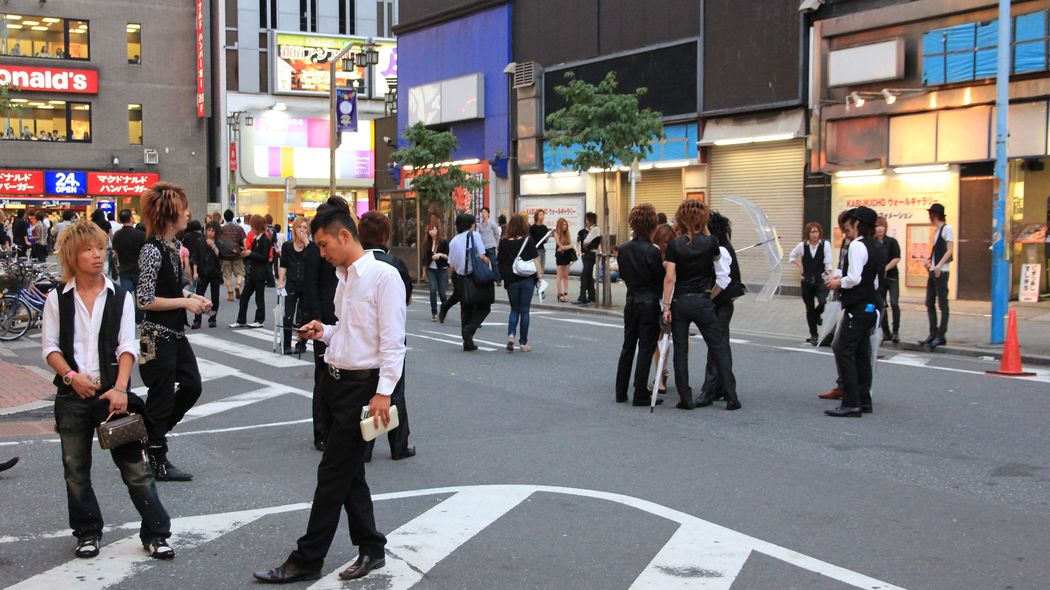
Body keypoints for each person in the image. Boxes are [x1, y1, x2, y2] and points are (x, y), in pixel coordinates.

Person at [253, 197, 405, 584]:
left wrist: (384, 393)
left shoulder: (383, 277)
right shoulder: (344, 277)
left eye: (323, 245)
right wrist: (324, 331)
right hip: (336, 384)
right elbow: (348, 331)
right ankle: (371, 546)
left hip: (362, 389)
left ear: (344, 236)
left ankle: (307, 558)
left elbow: (393, 344)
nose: (321, 253)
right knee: (349, 475)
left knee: (332, 475)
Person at [41, 221, 175, 560]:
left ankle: (156, 533)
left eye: (101, 247)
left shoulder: (120, 296)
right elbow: (50, 348)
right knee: (75, 471)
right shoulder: (58, 298)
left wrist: (120, 388)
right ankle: (87, 532)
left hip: (112, 395)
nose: (97, 254)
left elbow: (127, 346)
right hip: (72, 396)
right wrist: (71, 377)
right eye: (88, 249)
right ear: (72, 255)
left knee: (136, 469)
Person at [137, 182, 211, 481]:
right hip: (154, 336)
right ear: (169, 214)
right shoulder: (151, 250)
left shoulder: (173, 248)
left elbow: (168, 288)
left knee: (192, 386)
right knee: (161, 396)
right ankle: (157, 456)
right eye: (183, 209)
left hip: (173, 333)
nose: (187, 214)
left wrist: (192, 297)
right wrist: (184, 302)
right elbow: (144, 299)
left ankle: (150, 437)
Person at [661, 199, 740, 411]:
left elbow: (670, 278)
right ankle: (731, 397)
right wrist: (710, 295)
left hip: (680, 301)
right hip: (703, 300)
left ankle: (685, 398)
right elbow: (721, 271)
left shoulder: (675, 245)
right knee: (718, 347)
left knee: (680, 351)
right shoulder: (711, 242)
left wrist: (666, 307)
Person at [357, 210, 415, 462]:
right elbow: (407, 298)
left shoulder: (356, 263)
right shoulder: (394, 265)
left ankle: (364, 447)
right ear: (386, 235)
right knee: (394, 391)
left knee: (364, 391)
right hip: (389, 334)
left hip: (362, 338)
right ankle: (398, 446)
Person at [823, 206, 885, 417]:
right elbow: (874, 280)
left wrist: (838, 282)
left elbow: (855, 278)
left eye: (852, 221)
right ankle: (864, 400)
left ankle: (851, 402)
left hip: (857, 306)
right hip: (871, 305)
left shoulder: (857, 245)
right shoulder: (876, 245)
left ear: (858, 223)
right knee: (861, 353)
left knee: (844, 350)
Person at [614, 204, 664, 405]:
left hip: (631, 301)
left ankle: (620, 391)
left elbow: (623, 274)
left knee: (628, 346)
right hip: (649, 303)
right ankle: (640, 392)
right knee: (646, 347)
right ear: (652, 224)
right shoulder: (652, 251)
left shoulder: (623, 249)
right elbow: (659, 280)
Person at [700, 211, 746, 403]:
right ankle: (724, 388)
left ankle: (710, 390)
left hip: (721, 303)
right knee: (721, 345)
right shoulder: (723, 247)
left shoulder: (721, 250)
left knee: (716, 346)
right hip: (725, 304)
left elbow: (722, 281)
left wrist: (708, 298)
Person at [497, 214, 542, 353]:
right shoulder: (528, 240)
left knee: (514, 309)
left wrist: (504, 277)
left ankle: (511, 336)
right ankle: (523, 343)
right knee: (525, 310)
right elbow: (536, 259)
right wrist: (539, 276)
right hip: (527, 279)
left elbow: (499, 262)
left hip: (511, 280)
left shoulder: (503, 242)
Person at [447, 213, 492, 351]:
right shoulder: (475, 236)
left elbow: (451, 264)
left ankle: (467, 343)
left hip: (461, 278)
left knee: (466, 309)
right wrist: (487, 262)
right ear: (470, 224)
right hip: (475, 277)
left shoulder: (453, 241)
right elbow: (482, 256)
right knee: (484, 306)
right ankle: (469, 330)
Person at [278, 217, 320, 354]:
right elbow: (283, 264)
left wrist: (307, 242)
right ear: (294, 229)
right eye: (299, 227)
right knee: (288, 315)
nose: (302, 230)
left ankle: (301, 343)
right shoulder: (287, 246)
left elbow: (315, 262)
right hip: (291, 283)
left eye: (305, 227)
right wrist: (281, 281)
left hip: (306, 284)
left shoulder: (311, 247)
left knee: (305, 315)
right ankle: (286, 344)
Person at [789, 222, 833, 345]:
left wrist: (828, 277)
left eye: (816, 231)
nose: (814, 234)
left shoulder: (825, 245)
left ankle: (817, 314)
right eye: (812, 232)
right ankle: (814, 335)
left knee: (823, 302)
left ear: (820, 233)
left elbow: (828, 264)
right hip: (806, 281)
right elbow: (791, 257)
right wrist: (800, 265)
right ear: (808, 233)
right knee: (809, 309)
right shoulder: (802, 246)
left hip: (821, 280)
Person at [650, 224, 678, 395]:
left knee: (672, 338)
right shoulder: (653, 254)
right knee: (659, 339)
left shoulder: (676, 254)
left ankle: (664, 373)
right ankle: (660, 375)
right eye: (664, 241)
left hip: (673, 300)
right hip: (657, 300)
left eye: (669, 241)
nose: (666, 245)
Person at [230, 215, 272, 328]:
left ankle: (259, 320)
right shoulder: (255, 238)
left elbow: (264, 258)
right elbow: (255, 255)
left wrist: (251, 253)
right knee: (244, 297)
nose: (251, 228)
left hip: (260, 274)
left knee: (259, 298)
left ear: (257, 226)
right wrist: (246, 254)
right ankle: (241, 320)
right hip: (253, 273)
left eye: (253, 226)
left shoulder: (266, 240)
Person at [922, 203, 953, 348]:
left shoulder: (947, 229)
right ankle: (932, 333)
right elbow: (937, 250)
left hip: (942, 271)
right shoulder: (937, 231)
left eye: (930, 215)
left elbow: (950, 250)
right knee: (929, 302)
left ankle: (941, 335)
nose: (929, 218)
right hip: (934, 270)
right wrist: (930, 261)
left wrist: (939, 265)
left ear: (934, 216)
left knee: (942, 303)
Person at [111, 209, 147, 324]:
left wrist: (117, 266)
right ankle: (139, 319)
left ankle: (126, 318)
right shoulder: (141, 235)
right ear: (131, 218)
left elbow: (115, 253)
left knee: (126, 296)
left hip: (124, 269)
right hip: (139, 269)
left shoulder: (117, 235)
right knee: (140, 296)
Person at [190, 221, 223, 329]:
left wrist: (213, 246)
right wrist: (195, 272)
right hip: (202, 272)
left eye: (213, 231)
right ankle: (197, 320)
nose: (210, 232)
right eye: (208, 230)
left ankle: (212, 319)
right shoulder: (200, 241)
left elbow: (222, 256)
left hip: (215, 273)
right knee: (199, 296)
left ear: (216, 232)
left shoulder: (218, 243)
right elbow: (195, 257)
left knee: (215, 297)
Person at [875, 217, 902, 343]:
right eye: (877, 226)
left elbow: (897, 258)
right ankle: (886, 332)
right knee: (881, 304)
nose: (880, 228)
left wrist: (885, 268)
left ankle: (896, 331)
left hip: (892, 277)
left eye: (882, 226)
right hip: (879, 279)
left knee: (894, 303)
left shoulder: (892, 242)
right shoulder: (873, 243)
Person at [422, 221, 449, 322]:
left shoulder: (444, 242)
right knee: (433, 290)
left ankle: (444, 310)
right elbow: (424, 258)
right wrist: (424, 272)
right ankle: (434, 313)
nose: (431, 231)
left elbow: (449, 256)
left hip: (442, 269)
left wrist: (440, 255)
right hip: (431, 270)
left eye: (433, 229)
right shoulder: (427, 243)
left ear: (438, 230)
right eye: (430, 229)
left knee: (442, 293)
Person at [218, 209, 246, 301]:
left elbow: (219, 242)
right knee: (240, 273)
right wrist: (245, 251)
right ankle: (238, 285)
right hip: (237, 254)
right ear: (233, 216)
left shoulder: (222, 229)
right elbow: (244, 240)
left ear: (225, 217)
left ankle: (230, 294)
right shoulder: (239, 228)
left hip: (225, 255)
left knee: (227, 275)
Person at [575, 212, 601, 304]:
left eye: (587, 219)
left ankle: (582, 297)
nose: (586, 221)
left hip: (591, 255)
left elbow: (586, 242)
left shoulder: (595, 229)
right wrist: (579, 252)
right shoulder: (582, 232)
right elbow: (579, 243)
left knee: (584, 275)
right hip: (585, 255)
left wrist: (599, 251)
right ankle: (592, 295)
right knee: (589, 275)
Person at [552, 218, 576, 302]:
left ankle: (565, 293)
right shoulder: (556, 233)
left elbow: (569, 245)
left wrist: (566, 247)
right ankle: (560, 294)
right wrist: (569, 246)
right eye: (563, 225)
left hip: (567, 255)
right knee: (559, 275)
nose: (565, 226)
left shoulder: (567, 234)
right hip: (560, 256)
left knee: (566, 275)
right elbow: (560, 246)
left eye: (566, 225)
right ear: (560, 225)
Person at [478, 207, 502, 283]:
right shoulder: (479, 224)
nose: (483, 214)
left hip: (491, 246)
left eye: (485, 212)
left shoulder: (492, 223)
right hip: (482, 247)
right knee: (484, 263)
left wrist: (496, 243)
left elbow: (497, 233)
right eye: (482, 212)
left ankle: (498, 280)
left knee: (494, 263)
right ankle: (487, 279)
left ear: (488, 214)